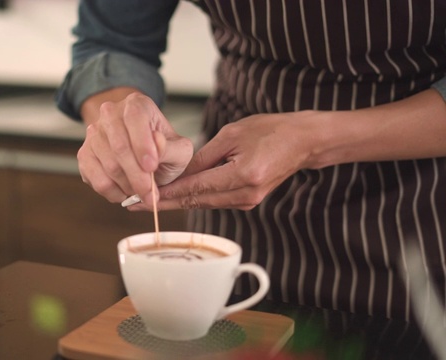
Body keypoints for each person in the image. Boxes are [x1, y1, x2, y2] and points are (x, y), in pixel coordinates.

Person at [56, 0, 446, 322]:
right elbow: (113, 39)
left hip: (420, 226)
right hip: (237, 219)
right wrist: (124, 120)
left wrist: (313, 141)